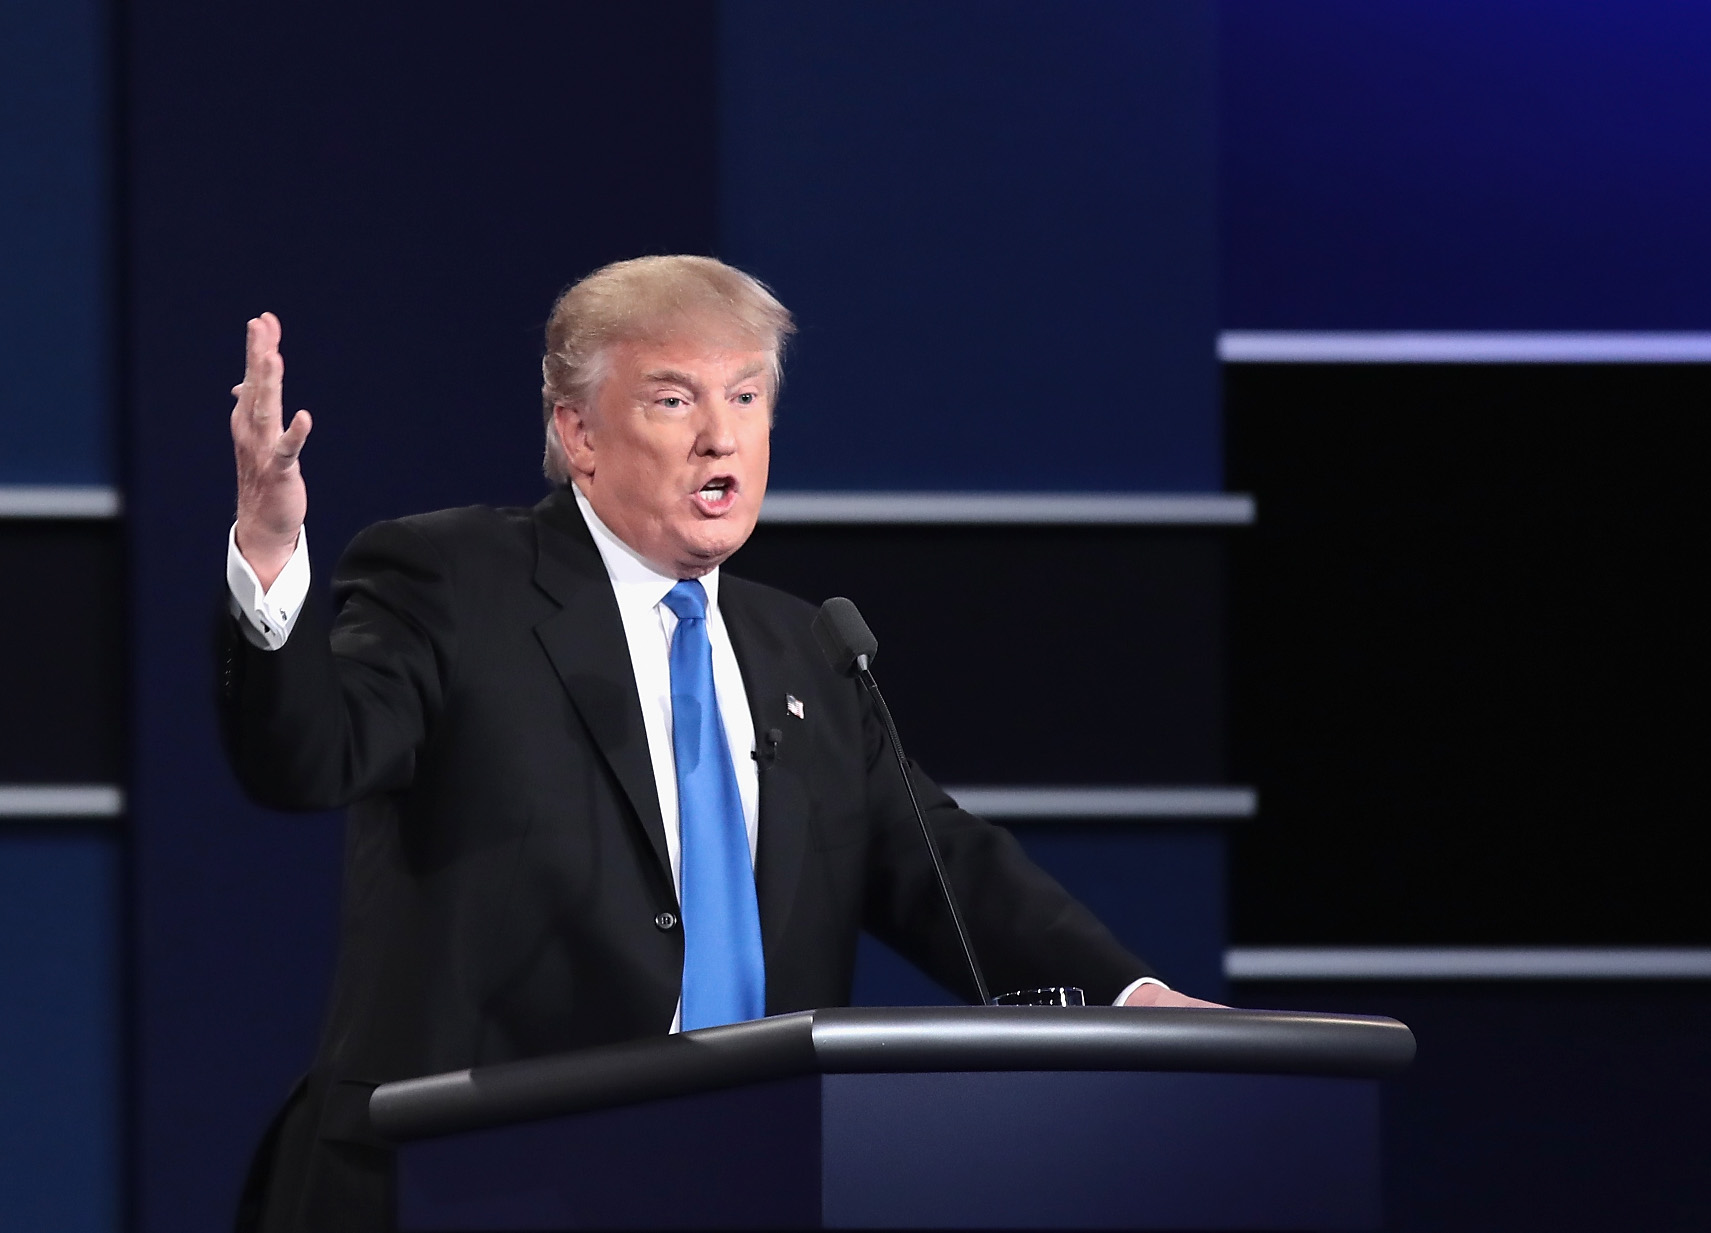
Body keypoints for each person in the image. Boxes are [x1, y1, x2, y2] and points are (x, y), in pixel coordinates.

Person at [221, 255, 1219, 1231]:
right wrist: (269, 556)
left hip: (732, 1176)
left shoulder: (805, 647)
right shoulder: (453, 581)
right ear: (579, 433)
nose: (718, 440)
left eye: (744, 399)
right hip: (471, 1178)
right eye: (672, 401)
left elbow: (938, 866)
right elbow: (309, 757)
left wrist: (1126, 996)